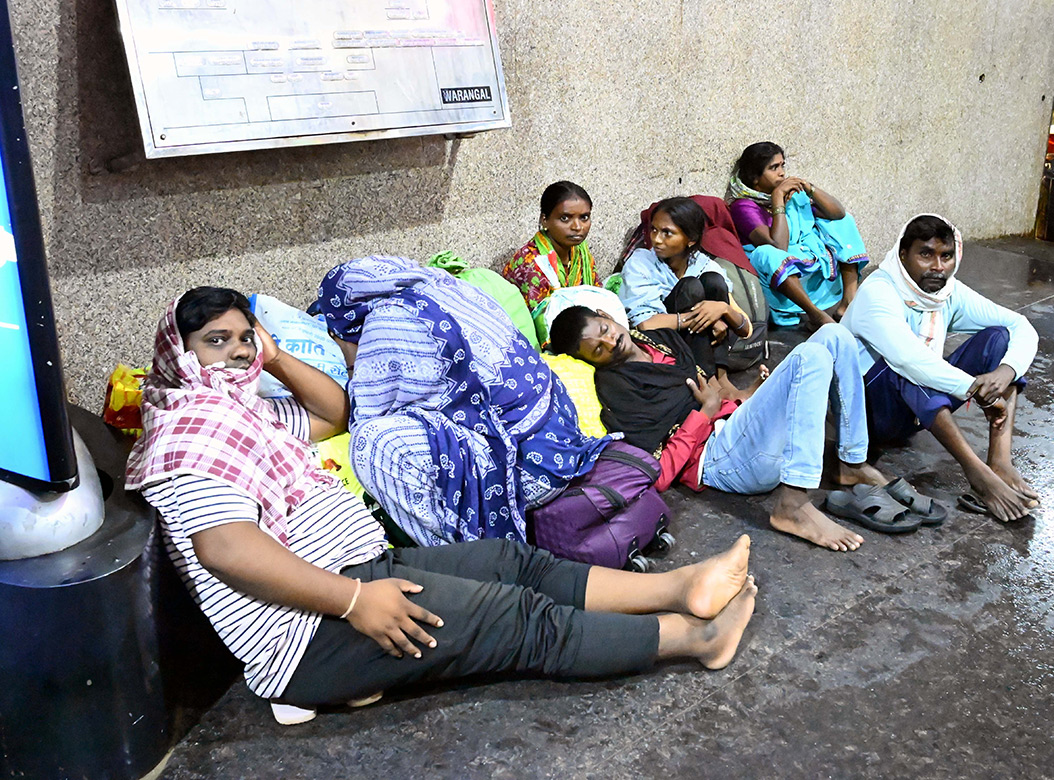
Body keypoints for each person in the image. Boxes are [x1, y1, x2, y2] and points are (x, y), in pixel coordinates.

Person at [126, 286, 759, 723]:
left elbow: (333, 411)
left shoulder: (245, 414)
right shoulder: (189, 434)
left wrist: (273, 354)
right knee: (516, 620)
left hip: (360, 571)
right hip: (312, 631)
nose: (237, 352)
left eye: (244, 337)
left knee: (515, 562)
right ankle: (693, 637)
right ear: (182, 355)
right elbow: (225, 547)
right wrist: (355, 602)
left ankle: (680, 587)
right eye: (217, 341)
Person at [550, 307, 933, 552]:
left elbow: (713, 383)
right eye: (596, 349)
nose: (609, 341)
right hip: (720, 460)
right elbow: (660, 473)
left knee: (834, 335)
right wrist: (705, 412)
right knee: (810, 355)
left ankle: (851, 462)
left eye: (603, 328)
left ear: (607, 314)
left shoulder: (658, 339)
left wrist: (746, 397)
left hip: (738, 430)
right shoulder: (617, 387)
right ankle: (792, 505)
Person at [310, 256, 612, 548]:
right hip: (564, 442)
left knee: (371, 445)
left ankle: (466, 558)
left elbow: (361, 414)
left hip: (527, 475)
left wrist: (351, 358)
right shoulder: (449, 286)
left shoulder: (387, 323)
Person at [841, 214, 1041, 522]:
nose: (938, 266)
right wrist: (975, 388)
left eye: (946, 256)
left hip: (915, 410)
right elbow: (909, 359)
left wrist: (1005, 373)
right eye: (926, 254)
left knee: (999, 339)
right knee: (907, 365)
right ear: (903, 254)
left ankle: (999, 461)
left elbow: (1020, 326)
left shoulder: (947, 293)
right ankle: (978, 475)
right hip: (867, 414)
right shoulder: (879, 291)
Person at [619, 197, 753, 398]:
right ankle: (708, 382)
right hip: (665, 343)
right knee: (690, 287)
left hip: (701, 346)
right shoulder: (641, 262)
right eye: (654, 230)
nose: (656, 239)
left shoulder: (703, 264)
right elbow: (645, 325)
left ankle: (721, 378)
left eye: (667, 233)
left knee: (714, 281)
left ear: (690, 239)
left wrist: (721, 310)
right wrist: (703, 317)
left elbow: (746, 330)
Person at [727, 142, 868, 328]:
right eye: (773, 168)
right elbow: (778, 246)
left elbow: (838, 214)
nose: (782, 173)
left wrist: (810, 188)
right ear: (755, 178)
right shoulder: (743, 207)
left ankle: (848, 300)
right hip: (778, 276)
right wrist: (778, 199)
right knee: (767, 253)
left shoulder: (790, 194)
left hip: (804, 257)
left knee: (843, 221)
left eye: (782, 165)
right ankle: (814, 314)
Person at [502, 181, 599, 314]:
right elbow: (540, 321)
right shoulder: (532, 264)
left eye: (584, 217)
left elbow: (599, 295)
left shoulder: (580, 253)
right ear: (545, 220)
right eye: (565, 218)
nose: (577, 227)